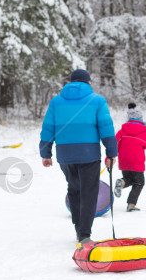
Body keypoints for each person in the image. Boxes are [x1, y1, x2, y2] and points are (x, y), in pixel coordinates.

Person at [40, 69, 118, 243]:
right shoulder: (97, 100)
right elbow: (106, 128)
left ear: (70, 82)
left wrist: (45, 153)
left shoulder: (56, 102)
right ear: (88, 83)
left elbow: (48, 128)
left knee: (74, 189)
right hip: (89, 154)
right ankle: (84, 234)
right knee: (89, 192)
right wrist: (111, 153)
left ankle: (78, 227)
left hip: (65, 154)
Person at [113, 103, 146, 212]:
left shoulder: (122, 131)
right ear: (140, 118)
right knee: (139, 182)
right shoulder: (143, 132)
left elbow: (114, 144)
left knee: (129, 179)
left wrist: (110, 157)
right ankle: (131, 205)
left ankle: (122, 182)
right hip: (136, 162)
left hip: (124, 162)